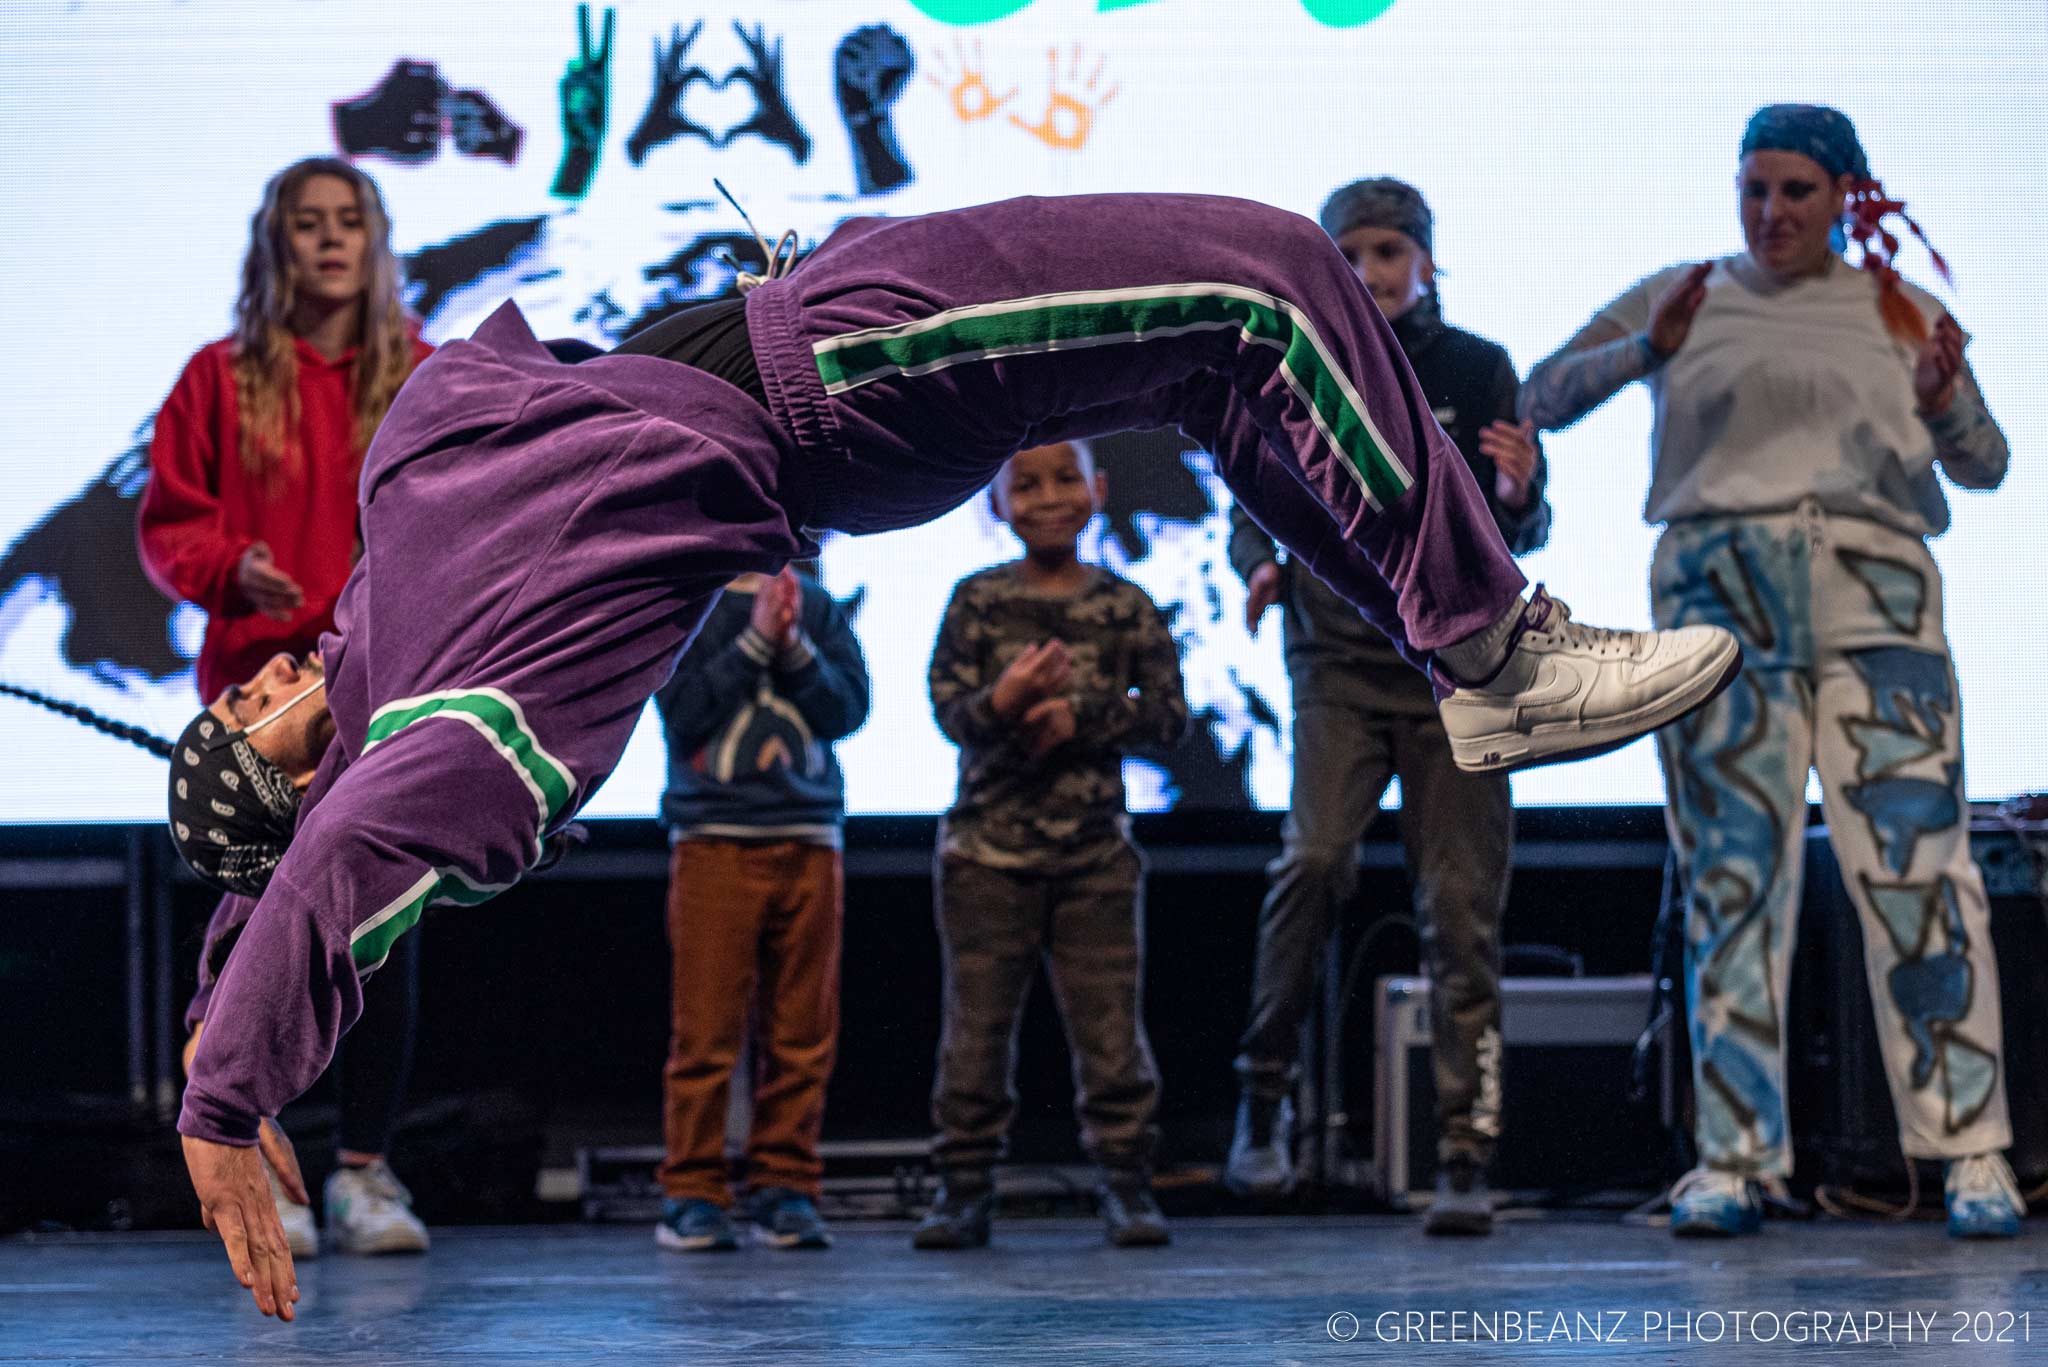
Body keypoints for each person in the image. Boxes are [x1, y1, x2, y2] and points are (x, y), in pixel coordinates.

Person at [149, 190, 1741, 1319]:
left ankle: (1452, 631)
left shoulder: (384, 553)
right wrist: (230, 1087)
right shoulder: (452, 714)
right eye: (250, 722)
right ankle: (1493, 645)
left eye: (235, 696)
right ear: (300, 778)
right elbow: (351, 862)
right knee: (1267, 272)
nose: (260, 683)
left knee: (1216, 360)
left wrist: (226, 975)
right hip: (836, 375)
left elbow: (271, 874)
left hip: (827, 306)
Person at [1520, 105, 2021, 1239]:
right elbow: (1539, 398)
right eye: (1753, 187)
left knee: (1919, 874)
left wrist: (1942, 400)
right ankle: (1733, 1157)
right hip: (1717, 601)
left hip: (1875, 602)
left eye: (1794, 190)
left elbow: (1985, 464)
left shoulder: (1899, 309)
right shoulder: (1683, 293)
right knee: (1730, 880)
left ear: (1844, 192)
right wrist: (1645, 349)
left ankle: (1969, 1148)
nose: (1769, 212)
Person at [1226, 179, 1550, 1235]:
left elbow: (1522, 522)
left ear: (1423, 260)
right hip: (1333, 659)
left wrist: (1518, 495)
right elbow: (1251, 483)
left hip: (1455, 666)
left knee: (1458, 906)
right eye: (1348, 254)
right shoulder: (1293, 363)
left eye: (1385, 253)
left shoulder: (1474, 366)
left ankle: (1465, 1148)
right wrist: (1256, 560)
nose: (1367, 274)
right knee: (1312, 859)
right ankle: (1258, 1100)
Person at [138, 156, 434, 1258]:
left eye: (346, 221)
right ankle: (266, 1158)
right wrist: (229, 565)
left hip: (381, 688)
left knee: (379, 933)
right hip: (264, 704)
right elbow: (169, 524)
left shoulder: (423, 370)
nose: (327, 240)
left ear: (374, 237)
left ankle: (362, 1169)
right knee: (255, 931)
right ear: (277, 242)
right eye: (306, 223)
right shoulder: (218, 377)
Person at [914, 441, 1185, 1250]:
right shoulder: (976, 601)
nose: (1047, 496)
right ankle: (962, 1189)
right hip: (986, 858)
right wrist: (1003, 700)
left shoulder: (1129, 604)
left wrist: (1085, 715)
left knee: (1111, 1036)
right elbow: (946, 711)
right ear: (995, 503)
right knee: (975, 1036)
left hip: (1095, 857)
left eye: (1065, 478)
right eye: (1023, 483)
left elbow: (1168, 716)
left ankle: (1129, 1185)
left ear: (1100, 490)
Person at [650, 564, 871, 1253]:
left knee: (803, 1032)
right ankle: (693, 1188)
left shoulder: (823, 608)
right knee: (707, 1032)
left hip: (809, 839)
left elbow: (848, 711)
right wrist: (754, 642)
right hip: (715, 840)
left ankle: (786, 1183)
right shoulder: (694, 605)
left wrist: (795, 644)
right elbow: (682, 712)